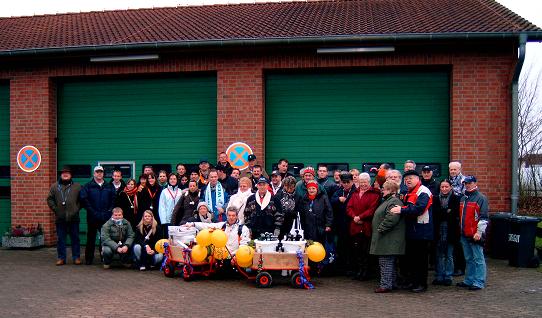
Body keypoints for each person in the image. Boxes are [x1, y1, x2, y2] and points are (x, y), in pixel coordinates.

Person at [390, 170, 433, 293]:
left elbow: (419, 209)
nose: (408, 180)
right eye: (406, 178)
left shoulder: (423, 191)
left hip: (422, 232)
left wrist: (401, 210)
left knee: (421, 260)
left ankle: (421, 284)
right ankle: (414, 282)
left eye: (411, 178)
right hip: (412, 232)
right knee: (412, 259)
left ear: (417, 179)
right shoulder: (409, 192)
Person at [370, 181, 405, 293]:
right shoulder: (389, 201)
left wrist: (380, 228)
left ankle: (385, 285)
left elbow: (392, 218)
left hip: (388, 238)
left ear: (391, 190)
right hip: (387, 238)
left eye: (384, 189)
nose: (382, 190)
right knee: (389, 263)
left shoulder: (394, 201)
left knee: (385, 262)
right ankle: (391, 283)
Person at [346, 172, 381, 280]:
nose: (363, 184)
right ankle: (359, 271)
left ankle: (367, 272)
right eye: (361, 182)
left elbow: (372, 209)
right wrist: (355, 217)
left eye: (365, 182)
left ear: (369, 182)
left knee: (366, 250)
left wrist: (360, 217)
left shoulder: (375, 194)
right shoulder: (355, 193)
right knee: (356, 250)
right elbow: (349, 207)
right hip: (355, 226)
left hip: (366, 226)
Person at [457, 176, 489, 291]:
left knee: (478, 259)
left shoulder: (481, 198)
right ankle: (469, 280)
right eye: (466, 183)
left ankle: (479, 282)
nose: (467, 185)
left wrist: (479, 232)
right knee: (468, 258)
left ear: (475, 183)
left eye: (470, 183)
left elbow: (484, 217)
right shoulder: (463, 198)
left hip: (475, 234)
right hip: (464, 233)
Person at [80, 165, 116, 265]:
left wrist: (109, 212)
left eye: (101, 172)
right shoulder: (88, 186)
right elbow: (84, 201)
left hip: (105, 217)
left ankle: (103, 257)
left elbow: (113, 200)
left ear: (103, 174)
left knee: (104, 238)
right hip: (92, 217)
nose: (99, 174)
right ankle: (89, 259)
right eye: (97, 172)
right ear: (94, 173)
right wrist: (93, 212)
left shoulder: (109, 186)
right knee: (90, 238)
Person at [46, 167, 82, 265]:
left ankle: (76, 257)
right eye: (63, 173)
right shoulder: (54, 186)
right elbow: (49, 199)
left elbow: (81, 200)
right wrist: (56, 209)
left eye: (67, 173)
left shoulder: (77, 186)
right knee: (61, 239)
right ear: (60, 175)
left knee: (75, 238)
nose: (65, 174)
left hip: (74, 217)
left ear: (71, 175)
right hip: (60, 217)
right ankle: (61, 258)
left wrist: (76, 209)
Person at [432, 179, 461, 286]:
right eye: (442, 187)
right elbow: (435, 214)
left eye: (446, 187)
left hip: (451, 231)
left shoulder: (456, 199)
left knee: (449, 255)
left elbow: (454, 214)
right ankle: (439, 275)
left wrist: (443, 212)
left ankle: (448, 276)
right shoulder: (435, 199)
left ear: (451, 187)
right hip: (438, 231)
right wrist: (446, 211)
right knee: (439, 255)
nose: (444, 189)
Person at [330, 172, 357, 275]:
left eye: (347, 182)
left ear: (352, 181)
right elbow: (331, 201)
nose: (345, 184)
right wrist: (338, 199)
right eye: (343, 182)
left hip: (351, 223)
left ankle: (351, 268)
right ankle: (342, 268)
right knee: (341, 246)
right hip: (340, 224)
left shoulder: (355, 191)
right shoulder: (339, 191)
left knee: (351, 247)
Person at [158, 173, 183, 238]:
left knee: (177, 237)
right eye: (171, 179)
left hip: (178, 218)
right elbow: (162, 207)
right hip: (168, 219)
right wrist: (164, 221)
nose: (172, 180)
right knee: (168, 237)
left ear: (177, 180)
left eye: (174, 179)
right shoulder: (164, 191)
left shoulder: (180, 191)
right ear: (168, 180)